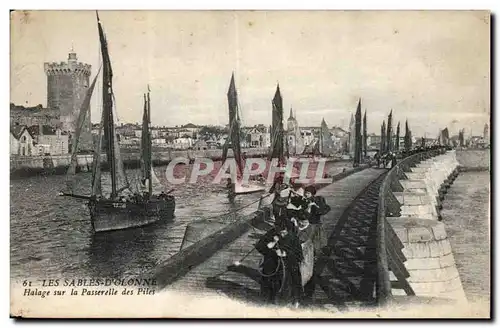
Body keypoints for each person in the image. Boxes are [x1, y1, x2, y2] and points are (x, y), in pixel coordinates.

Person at [255, 217, 304, 307]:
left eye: (284, 232)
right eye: (279, 231)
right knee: (268, 283)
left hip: (288, 266)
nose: (281, 234)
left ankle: (294, 300)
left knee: (293, 280)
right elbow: (259, 246)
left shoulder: (294, 238)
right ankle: (268, 302)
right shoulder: (271, 234)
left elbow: (299, 256)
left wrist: (285, 254)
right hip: (272, 265)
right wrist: (272, 243)